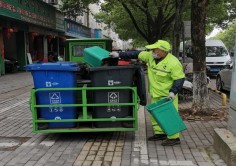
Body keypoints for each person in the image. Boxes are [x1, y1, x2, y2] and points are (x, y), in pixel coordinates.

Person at [110, 40, 185, 146]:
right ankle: (160, 133)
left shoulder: (173, 62)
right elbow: (136, 54)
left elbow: (179, 79)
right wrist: (119, 54)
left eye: (155, 49)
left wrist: (173, 92)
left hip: (167, 96)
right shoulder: (151, 56)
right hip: (154, 93)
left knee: (169, 116)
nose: (152, 51)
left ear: (162, 51)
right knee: (155, 116)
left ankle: (174, 138)